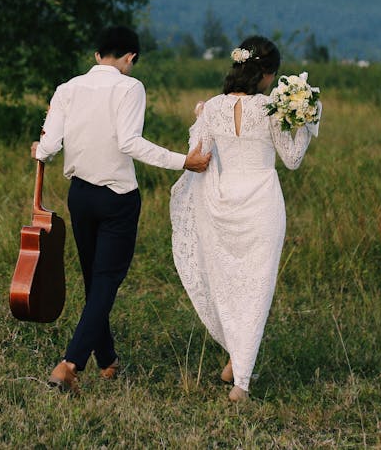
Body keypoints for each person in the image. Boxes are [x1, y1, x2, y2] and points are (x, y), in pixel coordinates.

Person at [31, 25, 211, 392]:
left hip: (79, 196)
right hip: (117, 200)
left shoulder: (67, 88)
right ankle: (69, 363)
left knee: (95, 281)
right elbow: (130, 142)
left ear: (97, 55)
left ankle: (108, 358)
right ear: (130, 57)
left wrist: (38, 145)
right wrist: (184, 162)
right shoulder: (130, 87)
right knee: (107, 281)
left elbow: (47, 149)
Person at [170, 35, 320, 402]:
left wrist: (202, 119)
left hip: (221, 203)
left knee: (226, 282)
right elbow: (292, 159)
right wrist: (306, 123)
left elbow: (198, 155)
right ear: (267, 75)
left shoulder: (214, 107)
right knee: (256, 287)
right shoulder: (271, 110)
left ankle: (236, 362)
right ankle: (242, 384)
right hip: (261, 204)